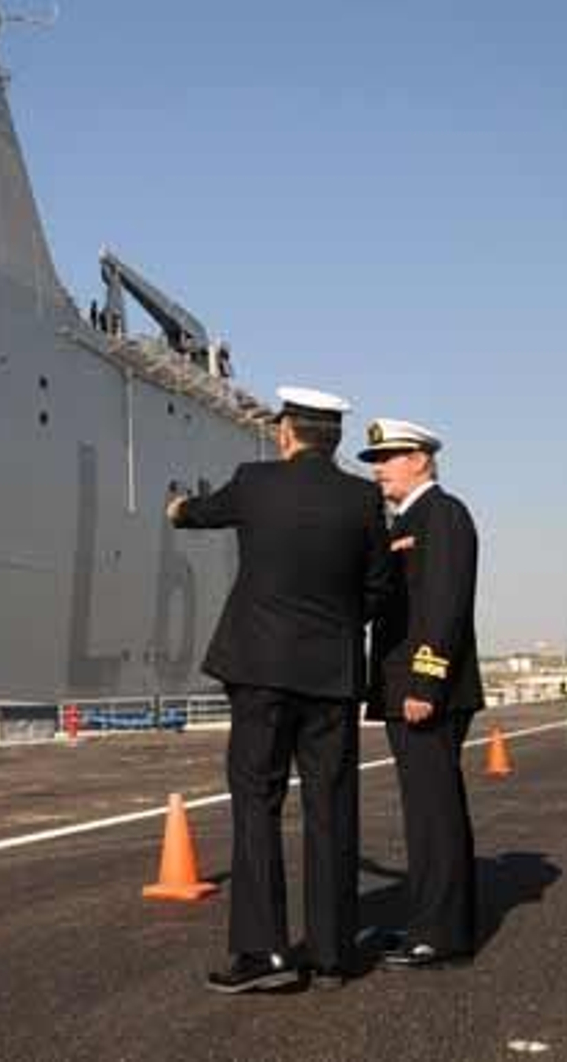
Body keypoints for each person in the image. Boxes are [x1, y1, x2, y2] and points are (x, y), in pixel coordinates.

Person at [169, 386, 394, 994]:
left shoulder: (256, 482)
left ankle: (264, 953)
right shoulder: (362, 499)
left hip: (261, 672)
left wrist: (175, 508)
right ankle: (332, 953)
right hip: (332, 677)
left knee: (256, 802)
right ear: (335, 438)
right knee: (332, 806)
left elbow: (201, 513)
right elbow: (379, 588)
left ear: (287, 431)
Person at [359, 418, 484, 969]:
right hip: (403, 687)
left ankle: (443, 932)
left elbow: (445, 605)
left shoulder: (444, 515)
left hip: (426, 690)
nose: (379, 468)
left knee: (434, 813)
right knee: (422, 812)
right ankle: (425, 920)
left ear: (422, 460)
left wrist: (425, 681)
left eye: (389, 457)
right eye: (376, 459)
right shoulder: (404, 522)